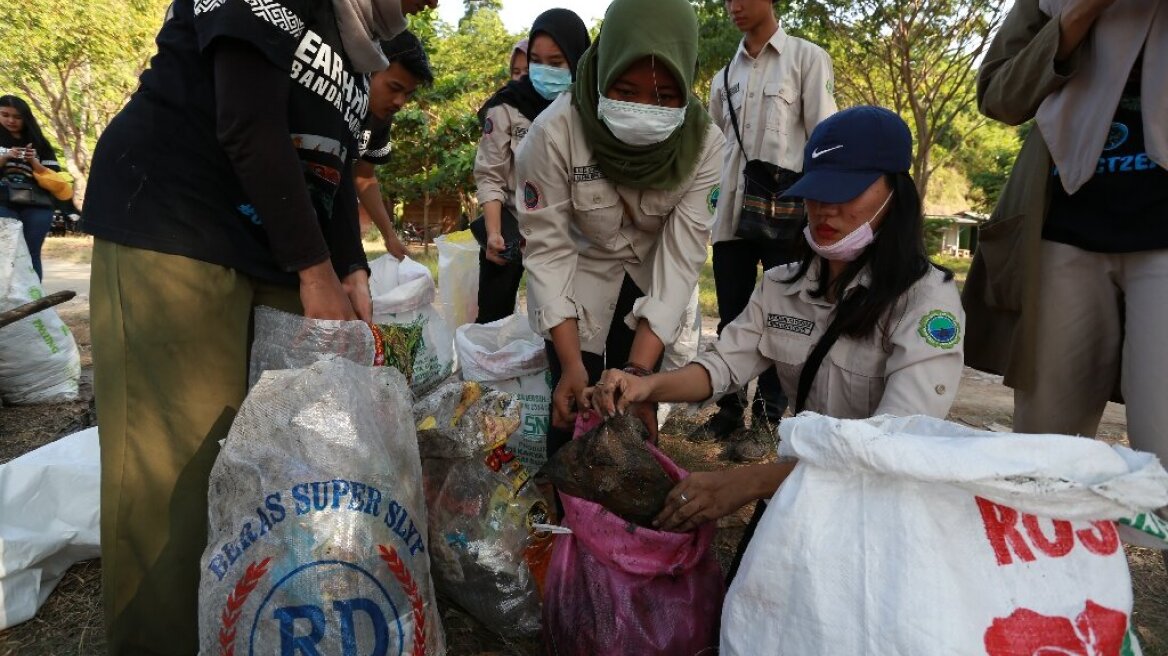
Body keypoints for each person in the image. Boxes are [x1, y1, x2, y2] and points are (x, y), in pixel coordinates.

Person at [80, 0, 436, 652]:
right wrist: (315, 271)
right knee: (177, 482)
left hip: (269, 239)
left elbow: (328, 162)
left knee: (270, 468)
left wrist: (351, 269)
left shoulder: (359, 45)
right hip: (179, 225)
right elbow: (247, 117)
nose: (433, 4)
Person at [587, 107, 964, 574]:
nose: (826, 210)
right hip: (795, 488)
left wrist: (748, 483)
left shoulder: (926, 304)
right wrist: (645, 386)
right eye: (816, 194)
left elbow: (894, 447)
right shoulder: (782, 286)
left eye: (846, 193)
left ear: (895, 195)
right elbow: (724, 365)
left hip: (875, 508)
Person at [964, 0, 1168, 543]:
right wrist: (1078, 16)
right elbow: (999, 95)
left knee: (1166, 459)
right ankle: (1048, 609)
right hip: (1062, 233)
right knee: (1045, 457)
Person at [516, 0, 724, 455]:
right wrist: (571, 365)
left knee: (630, 413)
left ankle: (622, 525)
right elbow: (547, 251)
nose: (644, 109)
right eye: (626, 91)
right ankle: (565, 516)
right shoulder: (554, 133)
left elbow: (680, 258)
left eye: (667, 98)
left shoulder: (705, 147)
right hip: (578, 276)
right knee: (572, 405)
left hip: (649, 277)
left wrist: (642, 376)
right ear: (604, 68)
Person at [698, 0, 838, 459]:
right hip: (733, 217)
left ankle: (767, 420)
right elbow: (719, 142)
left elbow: (823, 138)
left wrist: (823, 213)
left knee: (783, 318)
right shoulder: (724, 77)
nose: (734, 6)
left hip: (787, 216)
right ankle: (727, 412)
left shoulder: (806, 59)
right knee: (734, 317)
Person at [472, 8, 590, 324]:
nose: (543, 71)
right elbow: (490, 172)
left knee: (563, 321)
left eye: (556, 63)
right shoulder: (507, 105)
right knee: (493, 321)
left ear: (579, 60)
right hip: (511, 225)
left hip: (567, 232)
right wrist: (494, 233)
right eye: (535, 61)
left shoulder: (588, 109)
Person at [356, 29, 434, 260]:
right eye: (394, 88)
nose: (400, 102)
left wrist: (389, 235)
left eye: (408, 94)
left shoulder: (380, 118)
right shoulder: (334, 100)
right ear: (369, 68)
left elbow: (364, 176)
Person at [0, 95, 72, 279]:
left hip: (38, 204)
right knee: (7, 253)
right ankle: (7, 303)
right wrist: (6, 156)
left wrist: (33, 161)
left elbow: (56, 179)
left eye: (17, 117)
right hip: (3, 202)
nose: (11, 120)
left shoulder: (40, 143)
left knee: (32, 253)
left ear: (26, 118)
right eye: (5, 114)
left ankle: (34, 302)